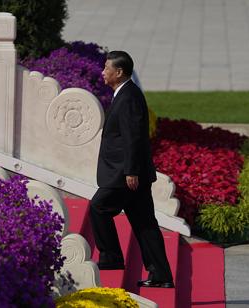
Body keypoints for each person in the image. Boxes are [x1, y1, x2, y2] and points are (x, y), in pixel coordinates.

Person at [90, 51, 174, 288]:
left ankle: (111, 257)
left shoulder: (128, 97)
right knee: (145, 224)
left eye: (106, 68)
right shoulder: (125, 94)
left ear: (118, 72)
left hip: (125, 175)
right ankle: (161, 275)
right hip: (127, 172)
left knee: (99, 207)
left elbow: (133, 137)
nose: (103, 72)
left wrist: (131, 171)